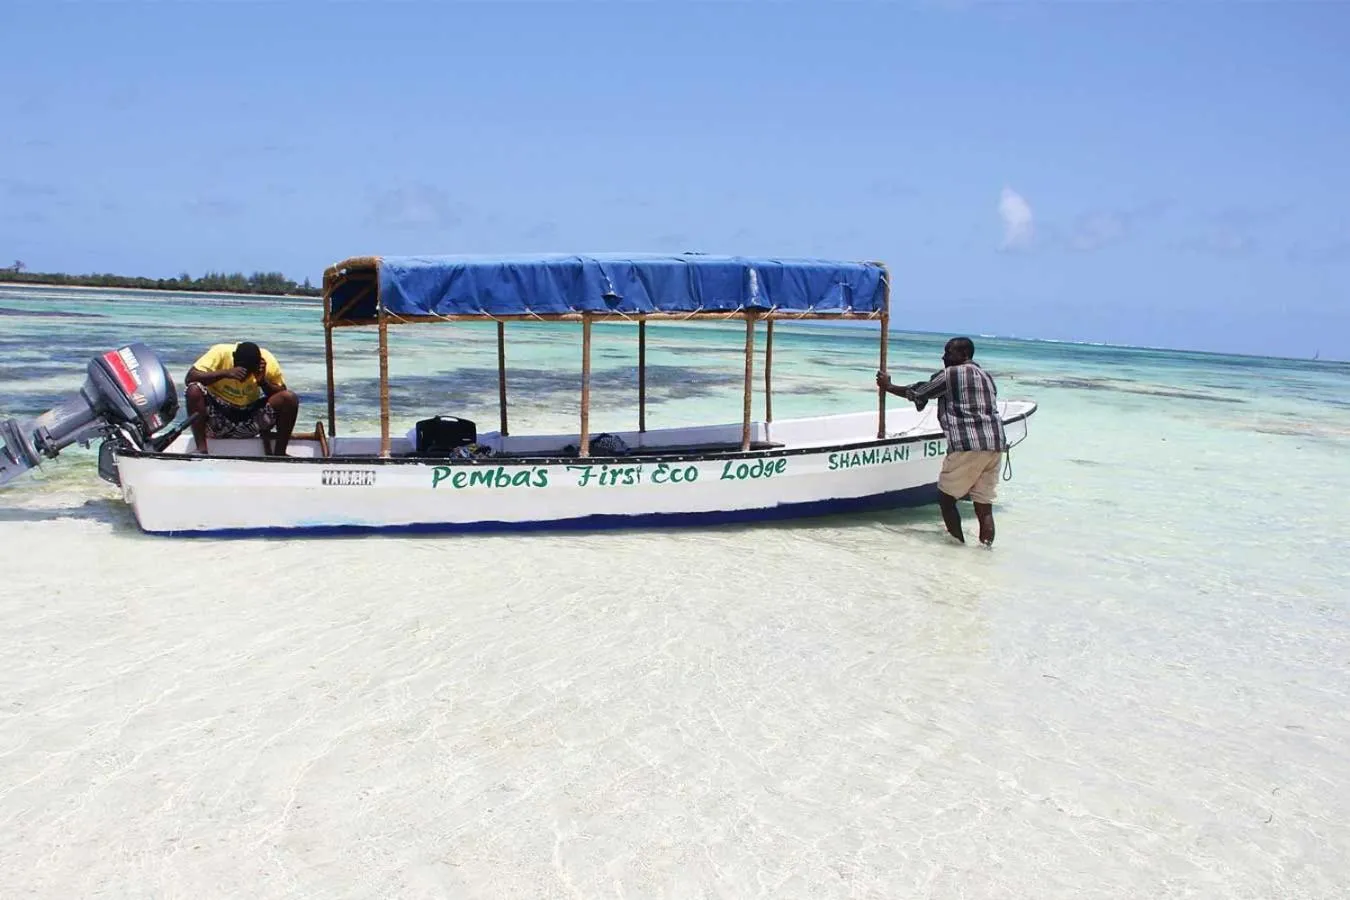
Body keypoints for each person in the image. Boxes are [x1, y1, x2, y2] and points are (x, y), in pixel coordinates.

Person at [876, 337, 1006, 546]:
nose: (943, 357)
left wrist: (888, 386)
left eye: (948, 353)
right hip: (995, 444)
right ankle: (985, 551)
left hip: (967, 444)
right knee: (983, 504)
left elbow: (920, 392)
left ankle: (956, 547)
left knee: (946, 499)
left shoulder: (951, 374)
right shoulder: (986, 376)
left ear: (963, 355)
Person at [185, 341, 298, 456]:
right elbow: (190, 377)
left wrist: (263, 382)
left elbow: (283, 394)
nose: (243, 376)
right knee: (194, 389)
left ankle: (280, 453)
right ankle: (201, 450)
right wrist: (225, 373)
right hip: (218, 421)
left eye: (248, 371)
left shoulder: (268, 361)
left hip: (250, 421)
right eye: (240, 370)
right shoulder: (220, 352)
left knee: (289, 398)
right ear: (233, 358)